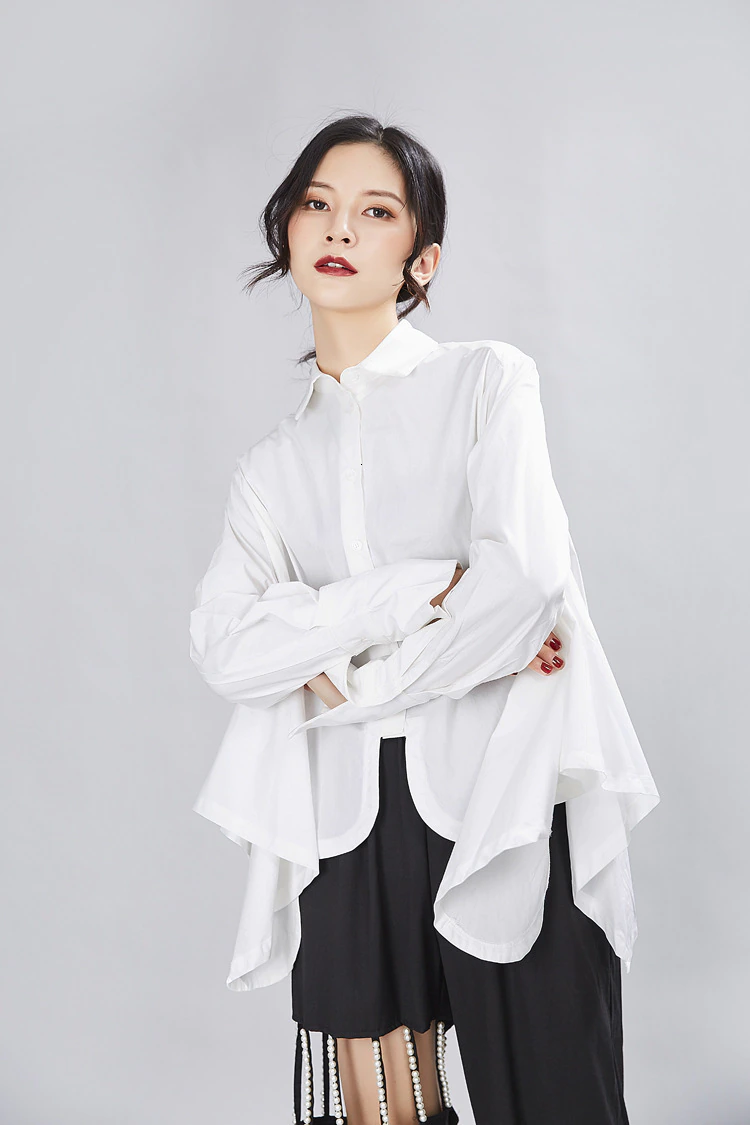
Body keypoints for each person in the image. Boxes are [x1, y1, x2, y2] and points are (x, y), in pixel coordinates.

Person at [188, 113, 660, 1125]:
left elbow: (523, 582)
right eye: (317, 203)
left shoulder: (488, 381)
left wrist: (341, 667)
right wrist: (417, 591)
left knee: (556, 1095)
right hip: (345, 814)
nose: (339, 227)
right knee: (377, 1112)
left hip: (506, 784)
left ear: (422, 258)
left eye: (376, 211)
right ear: (286, 229)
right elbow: (226, 647)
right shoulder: (269, 471)